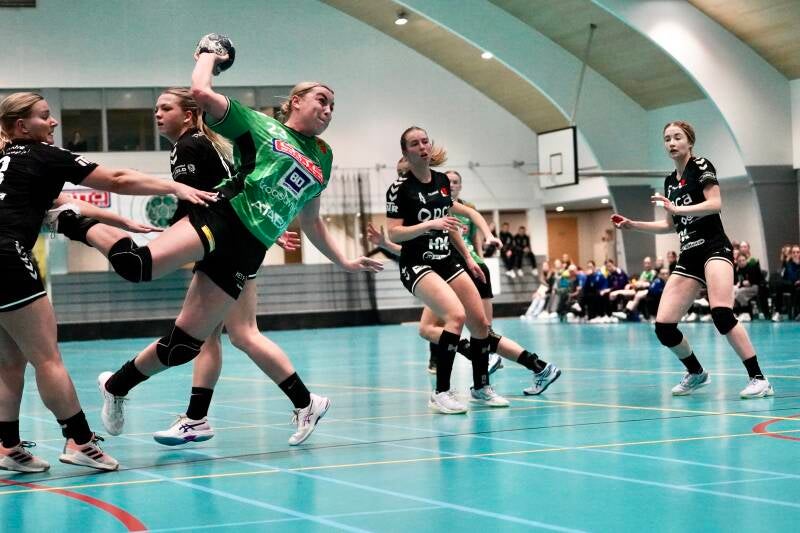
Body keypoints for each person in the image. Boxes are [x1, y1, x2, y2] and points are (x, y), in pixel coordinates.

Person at [55, 39, 383, 444]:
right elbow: (200, 91)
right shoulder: (259, 125)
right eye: (322, 100)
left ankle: (117, 385)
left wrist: (344, 260)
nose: (328, 109)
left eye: (333, 105)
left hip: (250, 247)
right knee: (138, 265)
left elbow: (311, 220)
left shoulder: (323, 156)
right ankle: (71, 220)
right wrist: (210, 53)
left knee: (185, 345)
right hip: (225, 218)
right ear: (296, 101)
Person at [0, 92, 215, 472]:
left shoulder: (9, 162)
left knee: (8, 362)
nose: (53, 122)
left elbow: (60, 202)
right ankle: (80, 441)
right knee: (46, 358)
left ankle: (7, 446)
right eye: (45, 116)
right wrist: (174, 187)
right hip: (6, 258)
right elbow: (116, 178)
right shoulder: (43, 155)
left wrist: (121, 221)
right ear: (22, 126)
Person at [143, 88, 323, 446]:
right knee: (225, 334)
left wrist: (175, 241)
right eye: (156, 109)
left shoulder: (189, 146)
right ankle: (198, 418)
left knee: (236, 334)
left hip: (224, 246)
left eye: (165, 108)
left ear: (189, 114)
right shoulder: (203, 145)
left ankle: (304, 402)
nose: (157, 114)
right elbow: (233, 192)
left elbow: (205, 202)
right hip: (234, 242)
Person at [611, 120, 773, 398]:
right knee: (664, 327)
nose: (672, 143)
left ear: (689, 142)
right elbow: (670, 225)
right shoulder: (670, 181)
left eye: (677, 137)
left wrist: (677, 209)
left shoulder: (701, 166)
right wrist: (633, 225)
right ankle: (696, 373)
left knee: (721, 314)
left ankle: (759, 378)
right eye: (667, 139)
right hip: (689, 253)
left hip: (714, 247)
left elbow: (715, 204)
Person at [376, 169, 561, 396]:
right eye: (449, 181)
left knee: (475, 330)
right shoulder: (427, 207)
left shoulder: (452, 206)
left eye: (455, 181)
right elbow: (417, 247)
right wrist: (387, 244)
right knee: (435, 329)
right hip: (448, 268)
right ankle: (528, 366)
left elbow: (471, 233)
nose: (451, 184)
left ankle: (522, 365)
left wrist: (481, 251)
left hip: (460, 269)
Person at [385, 127, 513, 413]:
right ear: (406, 152)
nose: (422, 146)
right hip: (417, 263)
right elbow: (394, 233)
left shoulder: (442, 181)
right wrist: (429, 225)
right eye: (415, 144)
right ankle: (440, 392)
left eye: (425, 141)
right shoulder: (399, 189)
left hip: (447, 259)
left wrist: (468, 258)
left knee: (480, 323)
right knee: (455, 316)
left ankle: (481, 388)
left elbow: (450, 225)